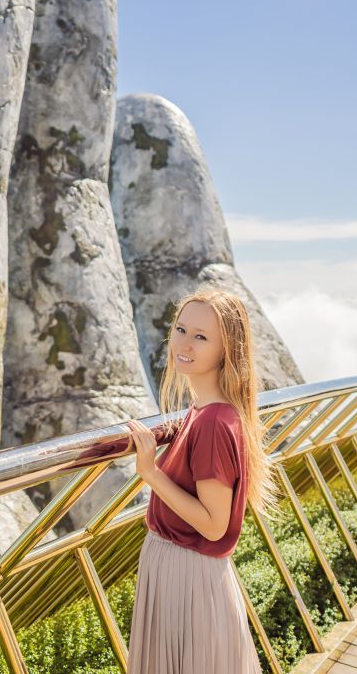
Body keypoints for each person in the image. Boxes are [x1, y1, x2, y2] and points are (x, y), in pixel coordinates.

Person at [124, 286, 282, 673]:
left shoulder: (212, 422)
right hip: (185, 574)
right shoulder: (206, 412)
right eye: (181, 330)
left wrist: (150, 473)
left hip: (187, 577)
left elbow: (213, 525)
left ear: (226, 351)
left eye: (201, 337)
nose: (185, 343)